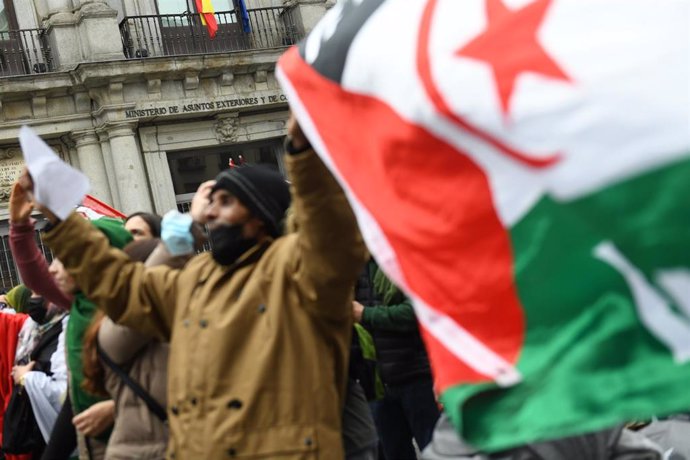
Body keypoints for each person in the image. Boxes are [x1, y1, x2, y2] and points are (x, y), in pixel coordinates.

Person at [24, 115, 367, 459]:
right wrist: (60, 219)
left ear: (261, 217)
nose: (210, 213)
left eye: (227, 202)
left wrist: (304, 152)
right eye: (211, 202)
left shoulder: (296, 270)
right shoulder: (197, 276)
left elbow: (330, 230)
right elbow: (121, 286)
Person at [353, 259, 440, 460]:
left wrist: (366, 314)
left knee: (434, 450)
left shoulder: (403, 263)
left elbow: (415, 313)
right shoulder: (355, 269)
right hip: (378, 385)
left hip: (414, 375)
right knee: (394, 453)